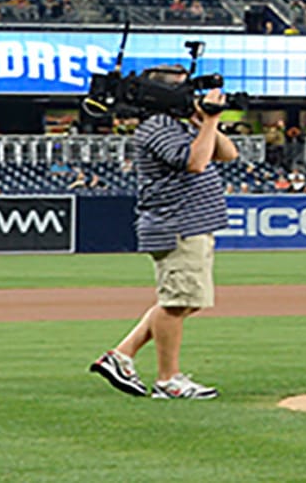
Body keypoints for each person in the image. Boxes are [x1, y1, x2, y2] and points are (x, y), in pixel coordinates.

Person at [90, 67, 238, 400]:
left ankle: (120, 356)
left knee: (183, 300)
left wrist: (206, 122)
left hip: (189, 223)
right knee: (177, 301)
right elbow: (196, 163)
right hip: (177, 225)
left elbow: (228, 154)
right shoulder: (158, 127)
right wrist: (209, 122)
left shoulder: (180, 125)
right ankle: (168, 379)